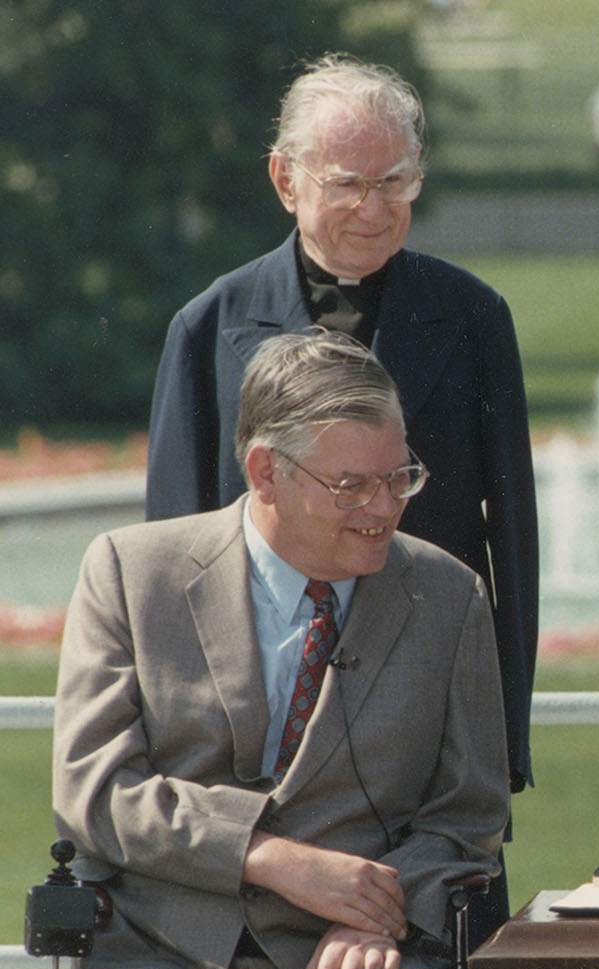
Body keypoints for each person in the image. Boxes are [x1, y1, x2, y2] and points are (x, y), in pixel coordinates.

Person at [54, 330, 512, 969]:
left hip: (357, 962)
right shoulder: (131, 573)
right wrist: (271, 860)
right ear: (267, 472)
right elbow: (95, 788)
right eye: (353, 485)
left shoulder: (447, 596)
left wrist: (378, 914)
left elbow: (468, 811)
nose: (385, 507)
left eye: (398, 478)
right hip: (168, 949)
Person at [144, 53, 537, 797]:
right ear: (286, 180)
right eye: (349, 184)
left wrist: (501, 744)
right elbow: (173, 559)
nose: (375, 208)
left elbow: (513, 544)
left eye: (395, 182)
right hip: (253, 734)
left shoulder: (475, 318)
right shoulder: (206, 329)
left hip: (427, 722)